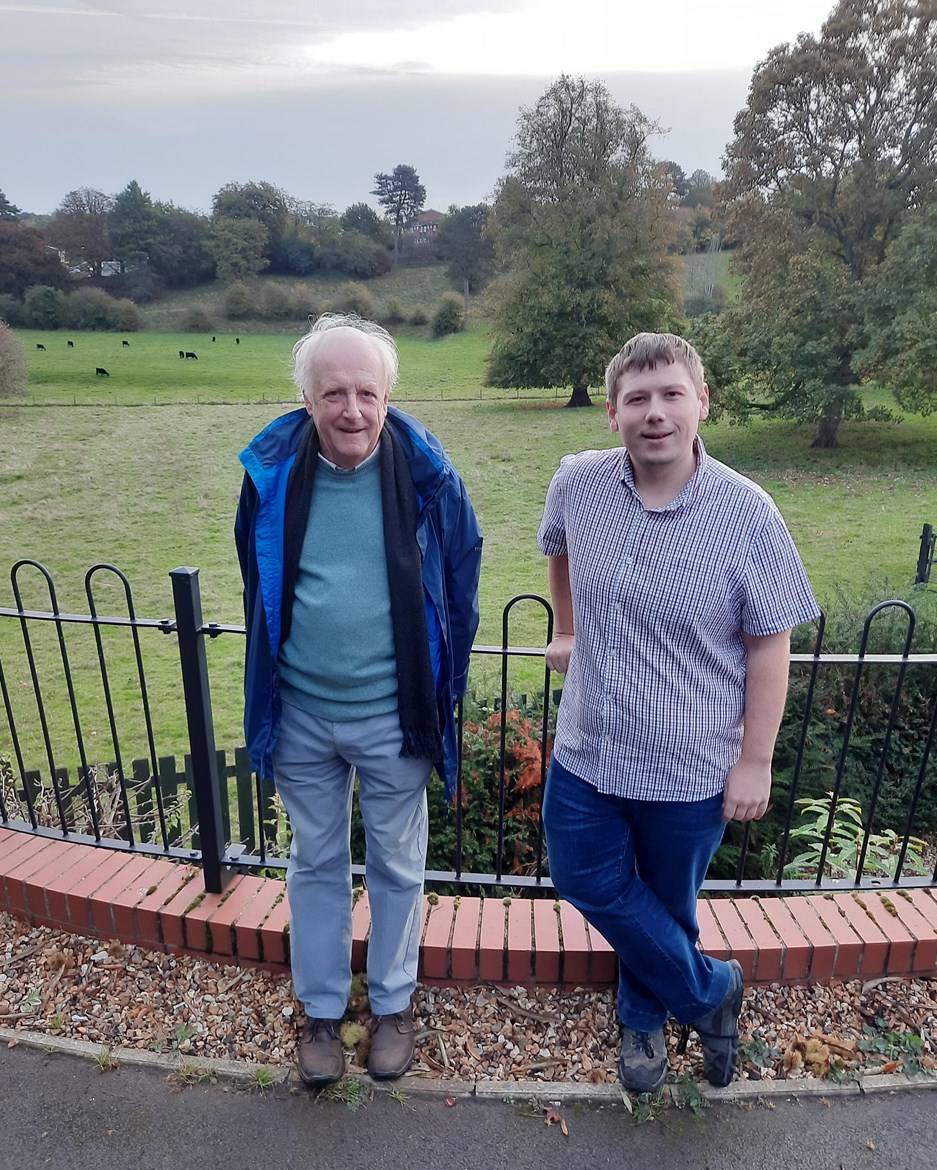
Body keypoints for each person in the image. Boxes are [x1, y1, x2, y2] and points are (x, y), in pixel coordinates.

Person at [538, 331, 819, 1093]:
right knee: (583, 875)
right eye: (637, 398)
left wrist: (754, 759)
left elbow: (770, 644)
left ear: (701, 402)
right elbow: (558, 548)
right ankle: (711, 991)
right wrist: (566, 628)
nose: (654, 413)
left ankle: (643, 1020)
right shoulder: (578, 484)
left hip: (689, 764)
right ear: (612, 412)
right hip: (588, 749)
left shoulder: (748, 514)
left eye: (670, 395)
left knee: (666, 904)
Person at [235, 314, 482, 1087]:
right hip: (301, 710)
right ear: (305, 400)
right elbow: (258, 574)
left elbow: (462, 579)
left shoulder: (428, 475)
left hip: (393, 713)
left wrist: (441, 688)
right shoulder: (271, 474)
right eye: (333, 392)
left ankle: (394, 1004)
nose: (352, 410)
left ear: (388, 397)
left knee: (399, 866)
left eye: (366, 392)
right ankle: (318, 1012)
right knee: (314, 861)